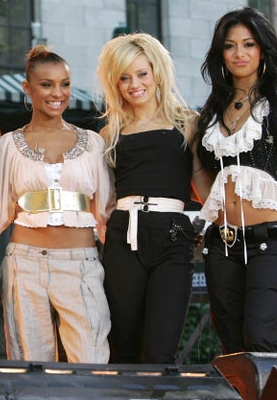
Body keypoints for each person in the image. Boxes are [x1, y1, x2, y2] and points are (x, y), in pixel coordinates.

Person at [196, 7, 277, 354]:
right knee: (232, 346)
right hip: (222, 244)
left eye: (249, 44)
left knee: (261, 337)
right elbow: (203, 176)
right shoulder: (211, 111)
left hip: (272, 240)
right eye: (230, 45)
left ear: (263, 49)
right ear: (220, 53)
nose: (239, 53)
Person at [0, 45, 113, 363]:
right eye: (46, 84)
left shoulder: (93, 143)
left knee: (92, 360)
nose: (58, 93)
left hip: (81, 264)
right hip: (25, 265)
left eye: (64, 84)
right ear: (27, 88)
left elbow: (106, 212)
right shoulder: (8, 145)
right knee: (30, 366)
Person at [96, 33, 214, 364]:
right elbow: (102, 196)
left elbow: (205, 189)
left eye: (142, 74)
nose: (134, 84)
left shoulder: (187, 122)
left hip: (173, 233)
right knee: (124, 348)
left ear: (157, 72)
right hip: (123, 234)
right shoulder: (110, 133)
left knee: (160, 351)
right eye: (124, 77)